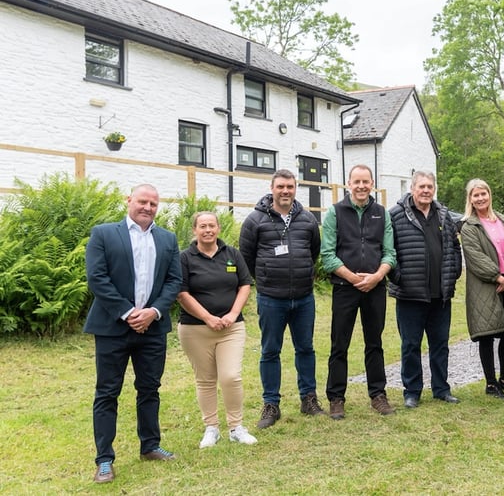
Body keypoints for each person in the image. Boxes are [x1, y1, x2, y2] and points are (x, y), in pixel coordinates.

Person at [84, 184, 182, 484]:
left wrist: (153, 312)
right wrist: (128, 313)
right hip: (112, 327)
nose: (148, 207)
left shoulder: (167, 238)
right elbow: (96, 278)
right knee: (107, 392)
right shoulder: (103, 233)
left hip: (152, 328)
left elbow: (174, 280)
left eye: (153, 203)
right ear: (129, 201)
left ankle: (150, 445)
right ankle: (104, 460)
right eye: (142, 201)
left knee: (150, 389)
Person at [239, 169, 324, 429]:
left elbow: (314, 252)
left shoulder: (308, 219)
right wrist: (266, 278)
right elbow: (247, 257)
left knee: (305, 349)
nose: (285, 191)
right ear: (272, 188)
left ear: (295, 188)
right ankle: (271, 404)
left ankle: (308, 399)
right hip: (270, 299)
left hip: (303, 299)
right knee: (270, 351)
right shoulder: (255, 220)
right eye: (280, 187)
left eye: (290, 186)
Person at [321, 165, 397, 419]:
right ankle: (336, 398)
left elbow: (390, 253)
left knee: (374, 343)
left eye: (366, 181)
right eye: (357, 182)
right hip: (345, 288)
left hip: (375, 288)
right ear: (348, 184)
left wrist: (377, 277)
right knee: (339, 344)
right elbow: (327, 255)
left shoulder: (381, 214)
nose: (362, 186)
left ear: (372, 183)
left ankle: (378, 395)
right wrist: (353, 278)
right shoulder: (335, 212)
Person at [176, 212, 257, 448]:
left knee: (231, 377)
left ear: (219, 229)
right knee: (205, 380)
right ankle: (211, 428)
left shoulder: (232, 254)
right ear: (195, 230)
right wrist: (208, 318)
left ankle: (236, 427)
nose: (208, 230)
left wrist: (232, 314)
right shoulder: (185, 258)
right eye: (203, 226)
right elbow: (182, 294)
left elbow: (245, 285)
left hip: (231, 328)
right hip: (195, 329)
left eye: (212, 225)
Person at [389, 171, 463, 408]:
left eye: (430, 186)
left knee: (440, 344)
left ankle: (441, 389)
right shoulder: (396, 216)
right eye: (421, 186)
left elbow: (455, 247)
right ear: (412, 188)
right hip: (410, 294)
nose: (426, 190)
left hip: (440, 295)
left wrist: (454, 272)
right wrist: (398, 277)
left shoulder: (444, 215)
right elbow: (387, 252)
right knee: (411, 345)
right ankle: (412, 391)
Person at [460, 179, 504, 400]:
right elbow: (475, 257)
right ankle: (490, 382)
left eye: (483, 194)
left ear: (490, 195)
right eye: (475, 195)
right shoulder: (469, 226)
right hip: (485, 284)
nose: (480, 198)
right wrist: (498, 276)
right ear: (470, 199)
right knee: (487, 332)